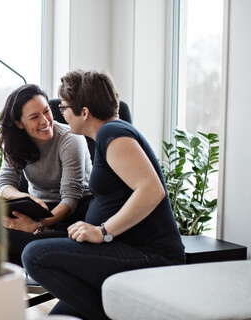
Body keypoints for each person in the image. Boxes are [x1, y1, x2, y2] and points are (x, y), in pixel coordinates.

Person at [22, 70, 185, 319]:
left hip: (151, 257)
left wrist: (102, 232)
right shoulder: (106, 137)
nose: (60, 114)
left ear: (84, 112)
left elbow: (151, 190)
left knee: (35, 255)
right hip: (121, 251)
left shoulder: (113, 134)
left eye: (64, 107)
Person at [0, 84, 93, 265]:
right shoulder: (14, 140)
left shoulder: (70, 140)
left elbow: (70, 199)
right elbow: (5, 183)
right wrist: (22, 197)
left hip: (71, 214)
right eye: (34, 117)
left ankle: (46, 249)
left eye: (47, 111)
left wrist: (38, 226)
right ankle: (21, 269)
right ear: (18, 123)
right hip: (36, 208)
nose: (45, 121)